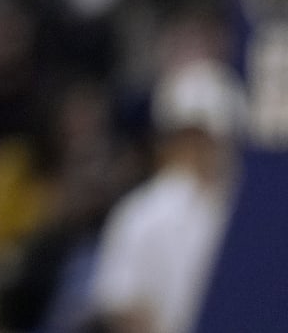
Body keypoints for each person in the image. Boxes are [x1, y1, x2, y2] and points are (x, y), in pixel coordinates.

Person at [87, 59, 245, 333]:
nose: (197, 148)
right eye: (186, 136)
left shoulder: (257, 211)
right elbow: (123, 308)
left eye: (205, 136)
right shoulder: (141, 213)